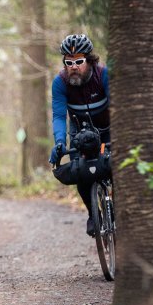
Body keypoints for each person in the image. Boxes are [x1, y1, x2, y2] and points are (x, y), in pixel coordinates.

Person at [49, 33, 111, 237]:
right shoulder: (60, 83)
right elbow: (59, 116)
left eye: (79, 61)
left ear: (90, 60)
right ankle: (94, 214)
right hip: (80, 134)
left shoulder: (103, 75)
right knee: (81, 174)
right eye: (69, 62)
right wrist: (59, 143)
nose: (73, 66)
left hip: (108, 130)